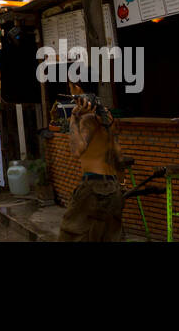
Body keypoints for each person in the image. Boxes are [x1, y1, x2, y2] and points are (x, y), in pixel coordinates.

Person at [58, 82, 126, 242]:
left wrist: (73, 118)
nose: (71, 93)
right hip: (113, 187)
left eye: (72, 88)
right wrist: (121, 186)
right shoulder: (108, 119)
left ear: (79, 89)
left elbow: (77, 150)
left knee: (70, 235)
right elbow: (119, 155)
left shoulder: (88, 119)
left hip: (94, 188)